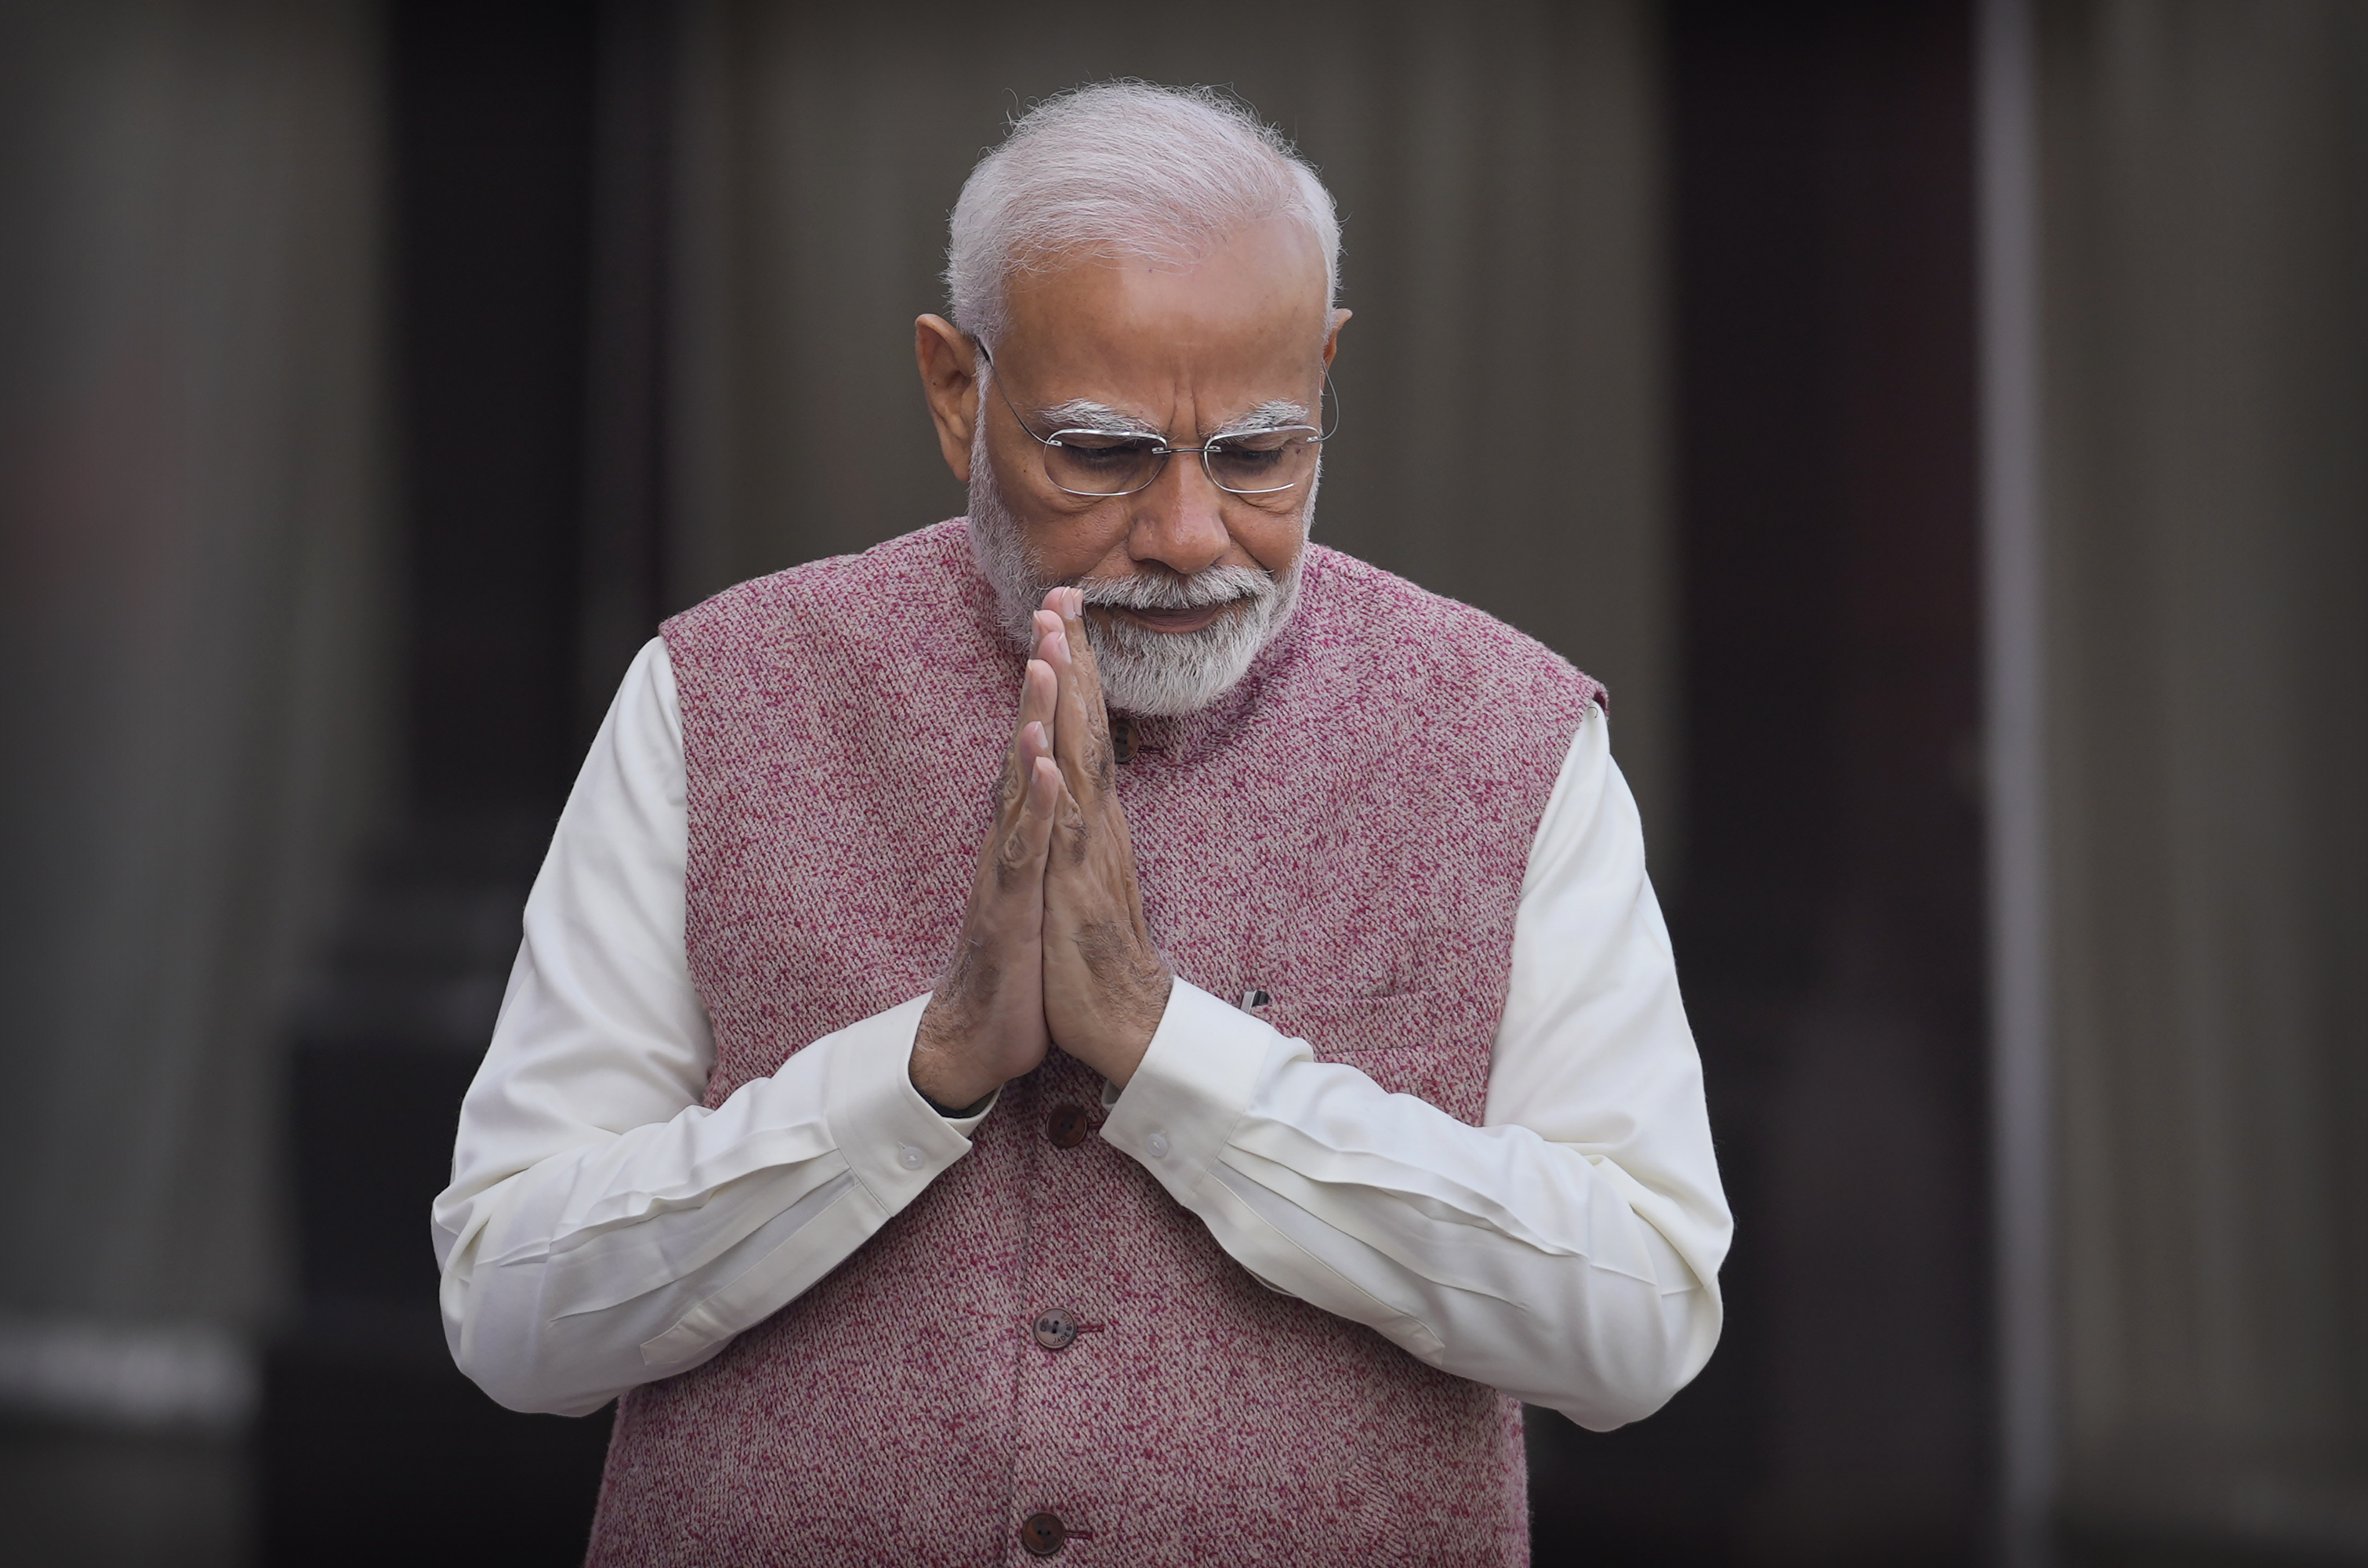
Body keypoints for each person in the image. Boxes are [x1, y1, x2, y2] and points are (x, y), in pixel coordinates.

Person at [434, 81, 1729, 1567]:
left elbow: (1639, 1326)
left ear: (1325, 374)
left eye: (1258, 455)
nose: (1187, 537)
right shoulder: (715, 698)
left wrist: (1176, 1057)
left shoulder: (1515, 735)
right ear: (954, 394)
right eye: (1101, 455)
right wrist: (916, 1080)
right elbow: (510, 1312)